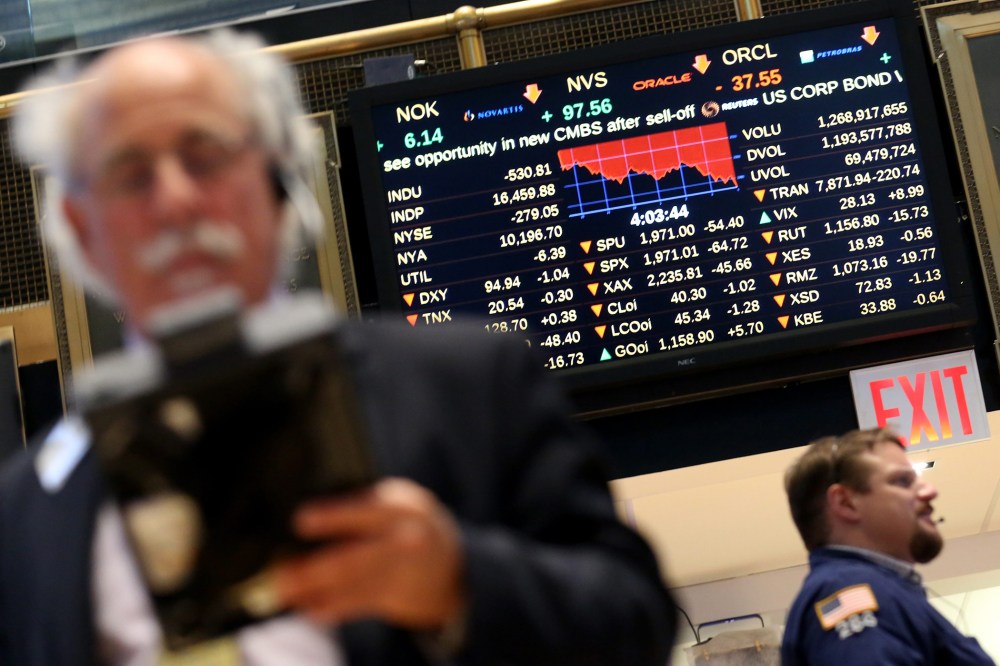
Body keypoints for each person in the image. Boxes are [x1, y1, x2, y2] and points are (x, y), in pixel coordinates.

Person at [0, 29, 678, 665]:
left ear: (276, 180)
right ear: (80, 227)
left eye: (205, 155)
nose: (175, 201)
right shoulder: (28, 512)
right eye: (130, 174)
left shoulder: (466, 383)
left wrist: (457, 582)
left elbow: (635, 620)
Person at [781, 428, 994, 664]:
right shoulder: (850, 591)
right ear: (845, 503)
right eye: (903, 481)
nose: (930, 491)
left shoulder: (879, 591)